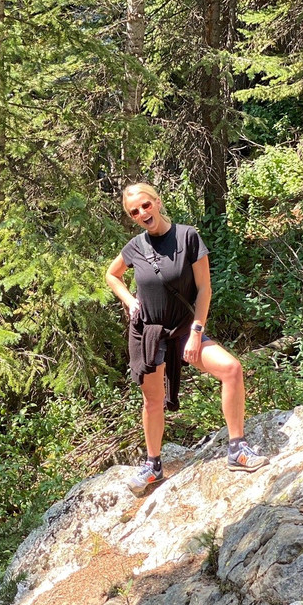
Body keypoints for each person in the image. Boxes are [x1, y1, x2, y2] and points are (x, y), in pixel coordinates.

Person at [105, 182, 268, 493]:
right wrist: (129, 301)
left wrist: (196, 332)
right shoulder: (135, 247)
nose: (142, 214)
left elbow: (205, 289)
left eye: (145, 206)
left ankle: (237, 448)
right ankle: (153, 465)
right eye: (134, 211)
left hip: (183, 328)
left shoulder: (187, 237)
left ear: (157, 201)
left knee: (231, 369)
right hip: (148, 333)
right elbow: (112, 274)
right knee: (152, 402)